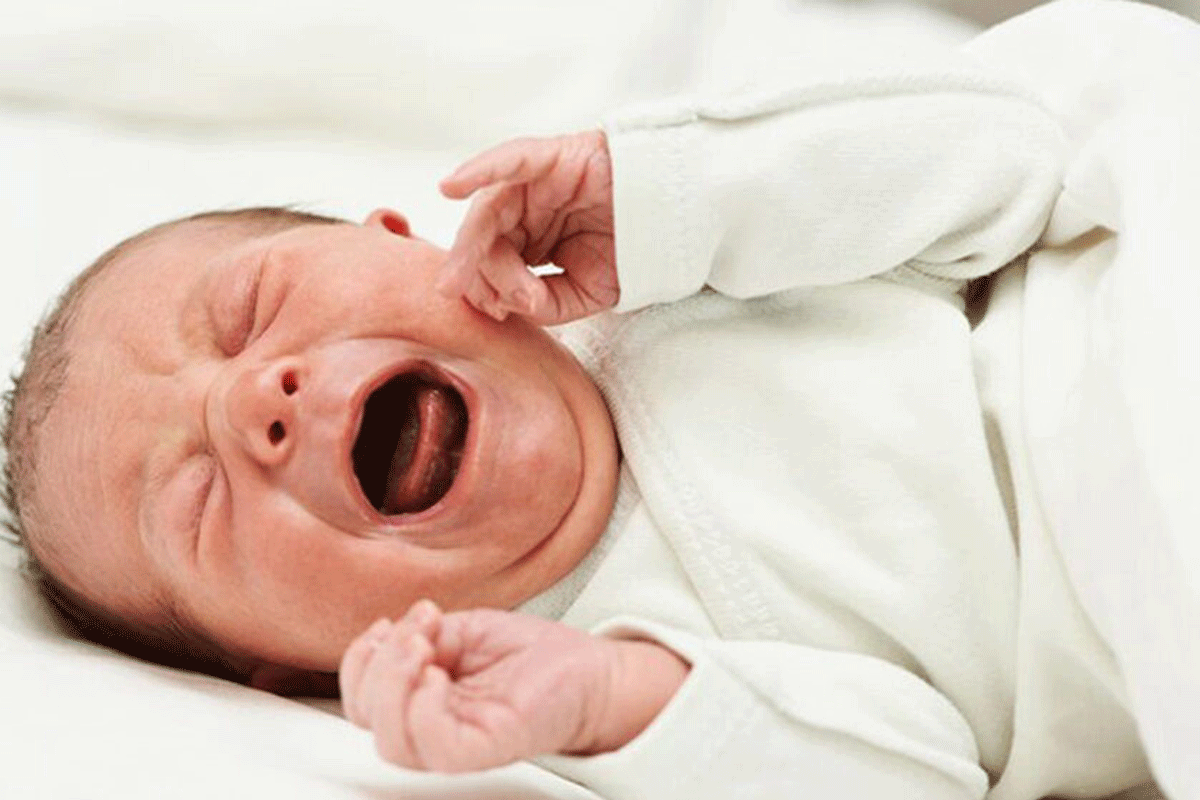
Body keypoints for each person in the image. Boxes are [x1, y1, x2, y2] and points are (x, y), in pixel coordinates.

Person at [3, 1, 1198, 797]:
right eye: (200, 504)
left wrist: (691, 193)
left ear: (399, 236)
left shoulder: (674, 261)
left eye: (251, 307)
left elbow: (1015, 155)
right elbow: (921, 770)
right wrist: (617, 708)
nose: (255, 404)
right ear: (295, 670)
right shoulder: (595, 680)